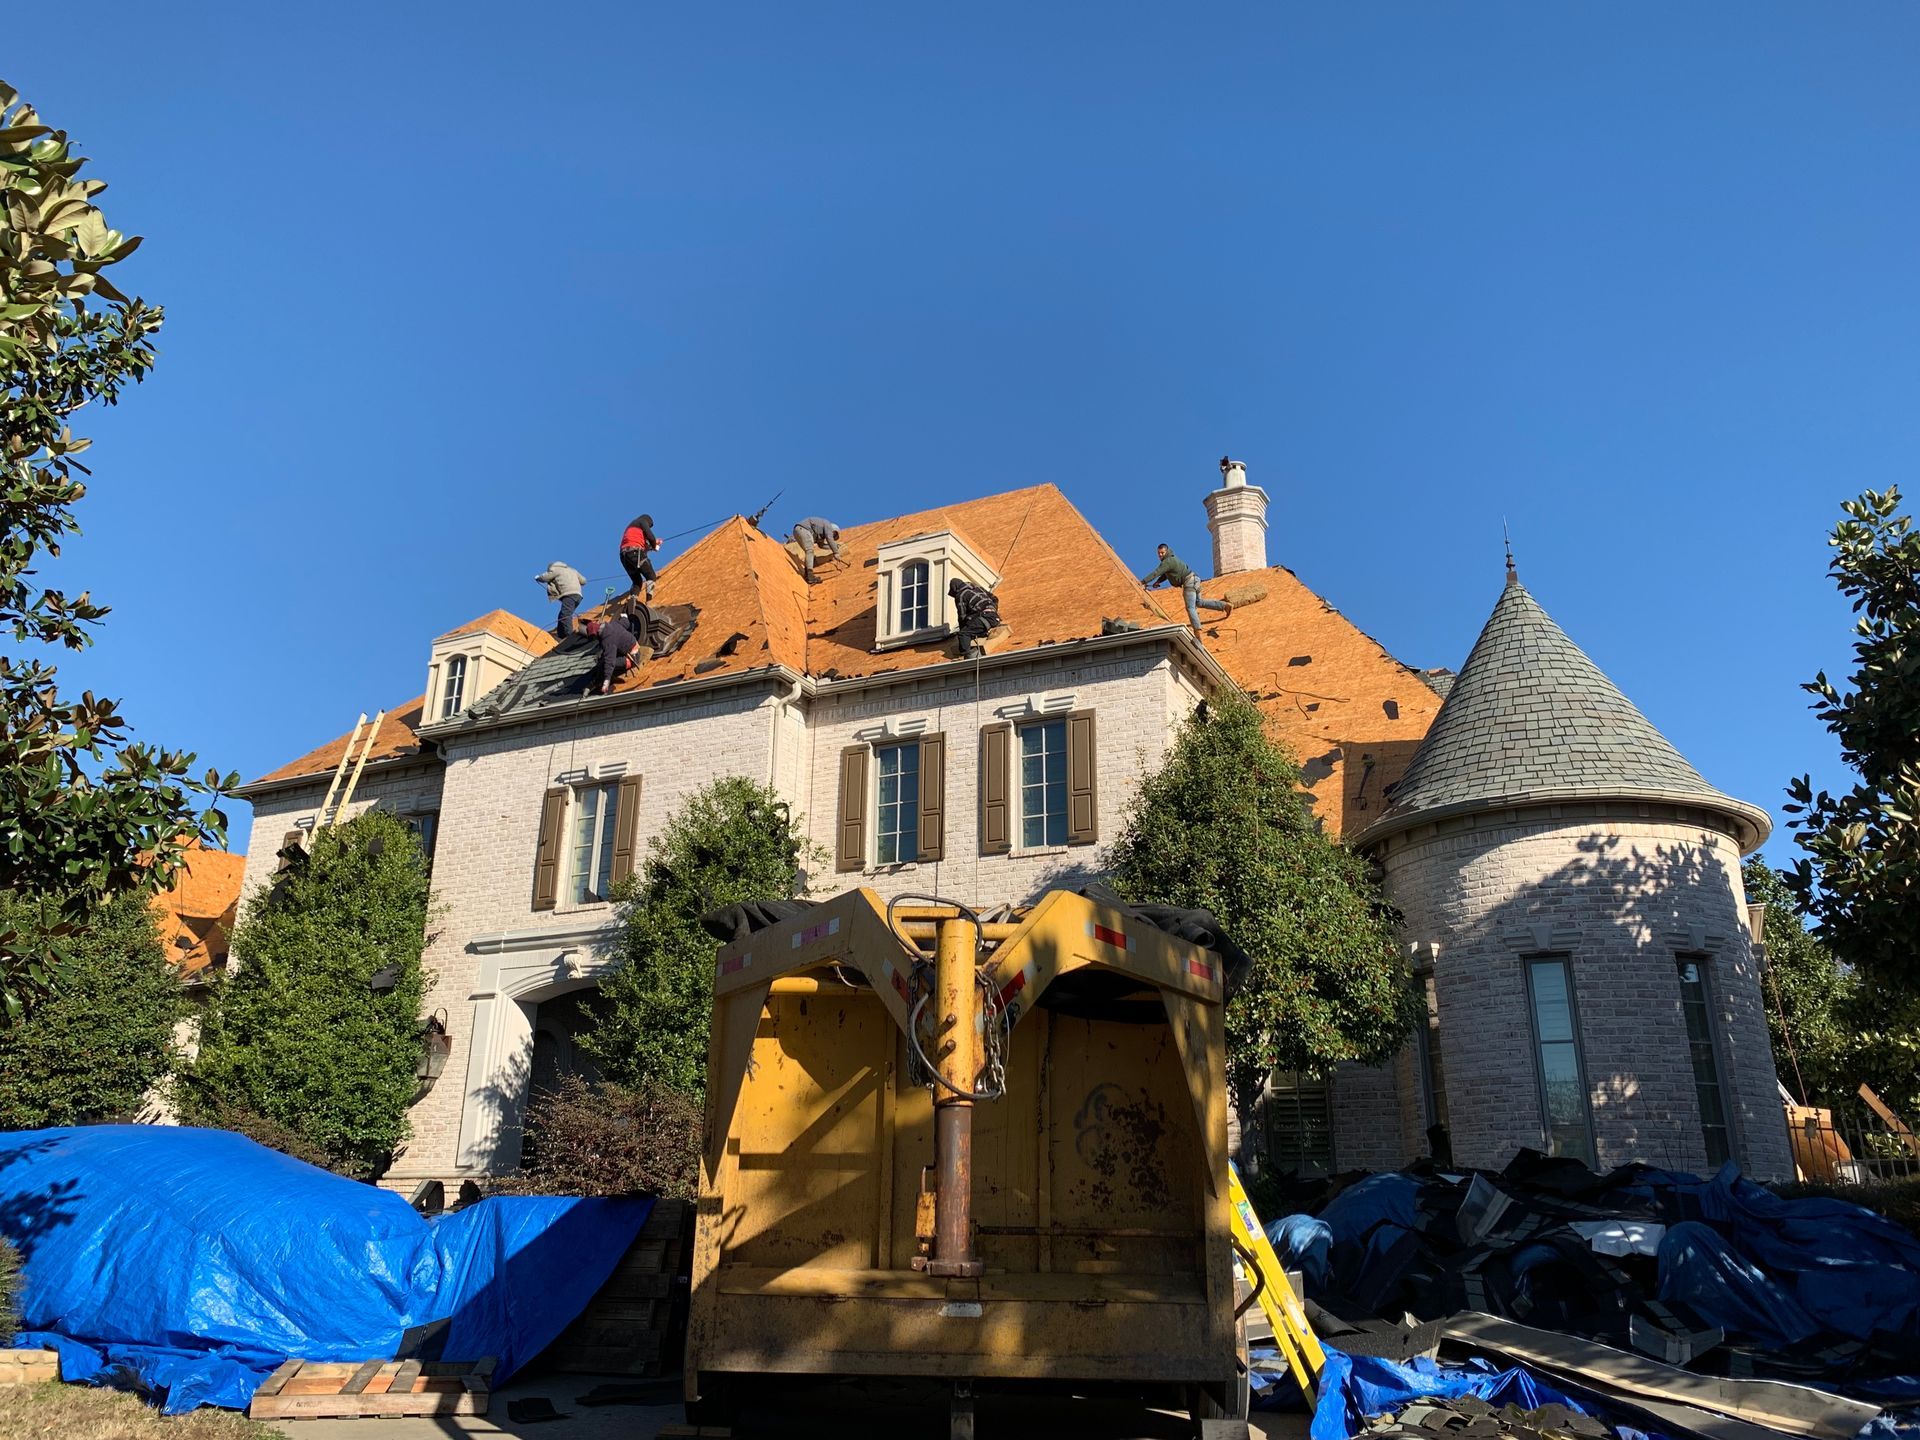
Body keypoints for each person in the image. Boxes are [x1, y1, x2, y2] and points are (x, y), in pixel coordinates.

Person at [1140, 543, 1231, 633]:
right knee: (1199, 602)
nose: (1160, 555)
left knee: (1190, 608)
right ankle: (1225, 605)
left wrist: (1143, 582)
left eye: (1162, 553)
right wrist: (1158, 582)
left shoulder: (1167, 561)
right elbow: (1165, 574)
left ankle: (1197, 631)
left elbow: (1156, 572)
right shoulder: (1172, 559)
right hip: (1195, 578)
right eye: (1159, 553)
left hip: (1189, 582)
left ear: (1167, 551)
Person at [591, 613, 644, 694]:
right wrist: (624, 616)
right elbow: (626, 623)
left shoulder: (608, 640)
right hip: (635, 650)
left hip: (632, 659)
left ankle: (599, 682)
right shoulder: (613, 624)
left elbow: (610, 661)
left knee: (604, 663)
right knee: (602, 657)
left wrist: (606, 681)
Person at [948, 577, 1001, 659]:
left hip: (984, 618)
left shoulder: (961, 595)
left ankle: (967, 657)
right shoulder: (978, 588)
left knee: (964, 634)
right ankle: (983, 632)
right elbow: (994, 599)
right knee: (974, 628)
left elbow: (962, 616)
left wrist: (963, 630)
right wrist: (993, 611)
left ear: (955, 589)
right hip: (994, 617)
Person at [533, 560, 586, 640]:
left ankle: (569, 636)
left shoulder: (555, 569)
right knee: (562, 615)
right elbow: (584, 581)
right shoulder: (572, 570)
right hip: (578, 596)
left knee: (565, 615)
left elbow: (545, 577)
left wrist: (538, 578)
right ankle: (561, 635)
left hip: (569, 594)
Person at [618, 514, 662, 598]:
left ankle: (632, 603)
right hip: (635, 552)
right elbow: (651, 537)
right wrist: (654, 544)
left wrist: (653, 545)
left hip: (624, 556)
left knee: (637, 582)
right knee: (651, 576)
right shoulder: (642, 522)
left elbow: (641, 543)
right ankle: (649, 601)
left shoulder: (631, 527)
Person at [791, 516, 845, 582]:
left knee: (809, 552)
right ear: (834, 530)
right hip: (803, 529)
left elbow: (821, 545)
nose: (833, 536)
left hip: (799, 531)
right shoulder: (828, 525)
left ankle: (807, 575)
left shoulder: (822, 533)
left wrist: (834, 547)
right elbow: (829, 538)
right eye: (834, 535)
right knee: (810, 551)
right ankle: (810, 576)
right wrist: (836, 552)